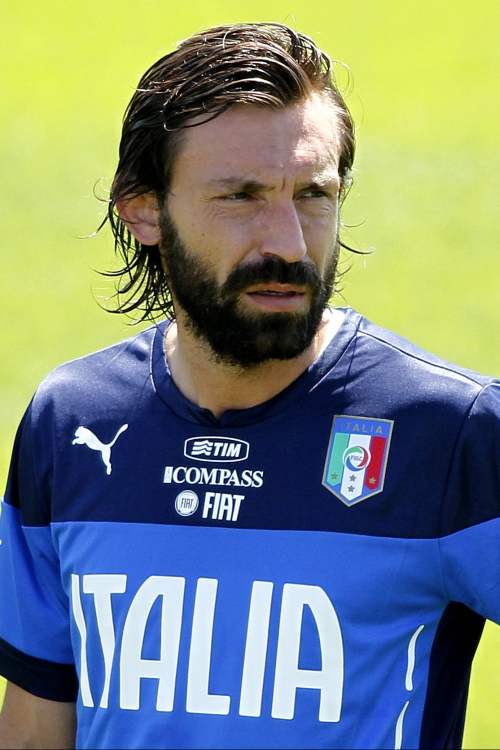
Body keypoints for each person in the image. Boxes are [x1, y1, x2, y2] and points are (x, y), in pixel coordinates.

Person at [0, 21, 499, 750]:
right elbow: (36, 727)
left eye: (313, 195)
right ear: (144, 209)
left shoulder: (450, 431)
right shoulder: (72, 422)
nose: (290, 244)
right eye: (241, 196)